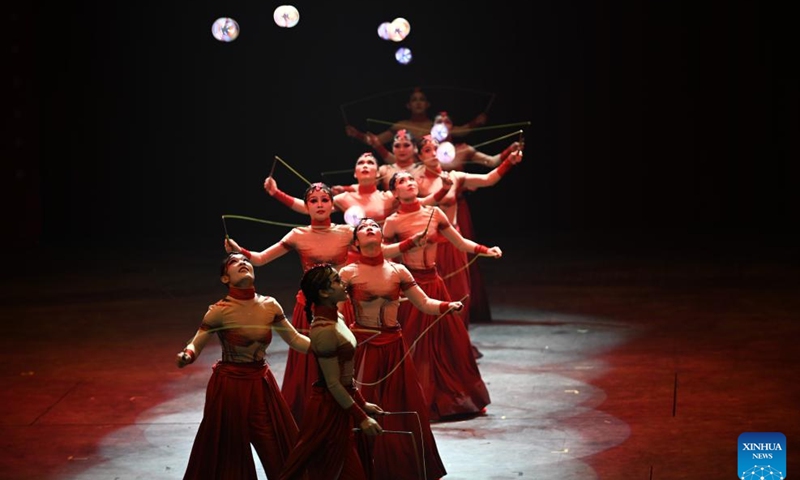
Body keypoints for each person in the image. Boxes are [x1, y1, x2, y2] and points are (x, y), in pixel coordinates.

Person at [225, 182, 421, 425]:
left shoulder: (346, 232)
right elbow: (261, 259)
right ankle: (313, 415)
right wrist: (239, 250)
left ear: (332, 204)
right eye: (314, 201)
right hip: (309, 308)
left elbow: (378, 250)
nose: (319, 205)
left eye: (324, 200)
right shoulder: (298, 234)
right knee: (314, 362)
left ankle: (350, 412)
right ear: (306, 207)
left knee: (342, 363)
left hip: (340, 306)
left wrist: (409, 244)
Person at [340, 217, 459, 480]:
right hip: (365, 347)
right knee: (365, 406)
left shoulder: (399, 271)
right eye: (363, 228)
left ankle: (402, 465)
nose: (370, 228)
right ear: (356, 242)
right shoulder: (347, 273)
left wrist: (446, 306)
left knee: (403, 404)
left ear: (382, 238)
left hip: (395, 346)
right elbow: (335, 313)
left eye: (374, 226)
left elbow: (424, 302)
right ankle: (365, 469)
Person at [175, 252, 311, 480]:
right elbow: (196, 342)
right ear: (225, 279)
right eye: (234, 262)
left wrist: (324, 346)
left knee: (275, 449)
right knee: (228, 454)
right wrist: (187, 355)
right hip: (230, 387)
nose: (243, 263)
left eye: (246, 260)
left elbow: (296, 340)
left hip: (260, 385)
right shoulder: (219, 310)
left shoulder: (270, 305)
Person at [383, 171, 498, 420]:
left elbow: (460, 242)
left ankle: (457, 399)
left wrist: (486, 250)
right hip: (411, 287)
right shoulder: (392, 222)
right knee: (415, 344)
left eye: (411, 179)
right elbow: (383, 255)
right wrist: (406, 247)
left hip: (434, 283)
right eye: (402, 181)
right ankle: (417, 400)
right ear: (395, 192)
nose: (409, 183)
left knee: (448, 341)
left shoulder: (434, 213)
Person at [278, 264, 384, 480]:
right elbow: (333, 383)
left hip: (340, 404)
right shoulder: (324, 331)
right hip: (328, 409)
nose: (343, 283)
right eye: (337, 281)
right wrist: (361, 417)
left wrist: (361, 402)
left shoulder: (339, 319)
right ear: (324, 292)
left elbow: (345, 378)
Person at [415, 134, 523, 342]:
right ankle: (435, 343)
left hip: (454, 243)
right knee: (432, 295)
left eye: (436, 148)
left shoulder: (455, 177)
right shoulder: (416, 181)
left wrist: (509, 161)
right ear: (420, 155)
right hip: (429, 246)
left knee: (460, 292)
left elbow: (489, 179)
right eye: (427, 150)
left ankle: (458, 341)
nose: (433, 153)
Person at [344, 87, 485, 149]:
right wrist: (356, 134)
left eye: (421, 99)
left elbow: (461, 131)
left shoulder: (436, 126)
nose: (418, 103)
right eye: (414, 100)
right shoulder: (401, 125)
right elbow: (375, 141)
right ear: (408, 105)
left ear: (427, 104)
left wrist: (476, 122)